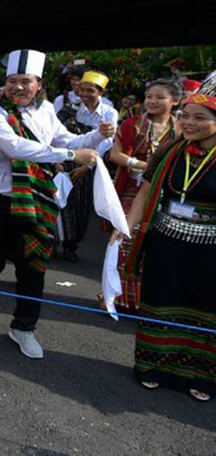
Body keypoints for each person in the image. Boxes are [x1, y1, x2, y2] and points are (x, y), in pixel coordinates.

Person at [0, 50, 114, 359]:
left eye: (25, 81)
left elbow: (67, 139)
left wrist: (97, 135)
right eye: (12, 81)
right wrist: (70, 157)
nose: (18, 87)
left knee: (33, 267)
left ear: (39, 83)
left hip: (34, 199)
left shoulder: (45, 113)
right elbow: (18, 148)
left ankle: (24, 328)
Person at [117, 74, 216, 402]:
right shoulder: (172, 149)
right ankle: (153, 367)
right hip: (166, 242)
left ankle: (200, 375)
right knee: (160, 303)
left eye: (200, 118)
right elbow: (145, 191)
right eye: (185, 115)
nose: (189, 123)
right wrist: (126, 226)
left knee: (203, 309)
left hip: (210, 250)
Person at [107, 79, 181, 311]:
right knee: (125, 239)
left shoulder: (181, 128)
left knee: (156, 245)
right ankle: (120, 297)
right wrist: (142, 165)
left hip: (166, 193)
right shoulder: (133, 124)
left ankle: (146, 300)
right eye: (149, 96)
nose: (152, 101)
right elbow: (115, 155)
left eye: (159, 97)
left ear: (175, 101)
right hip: (132, 189)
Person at [56, 71, 118, 262]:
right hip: (65, 158)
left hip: (90, 163)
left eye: (89, 90)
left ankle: (71, 245)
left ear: (100, 91)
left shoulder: (109, 112)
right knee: (58, 202)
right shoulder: (69, 108)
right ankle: (52, 241)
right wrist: (55, 160)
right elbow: (56, 135)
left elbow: (107, 141)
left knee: (80, 206)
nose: (84, 94)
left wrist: (87, 166)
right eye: (81, 89)